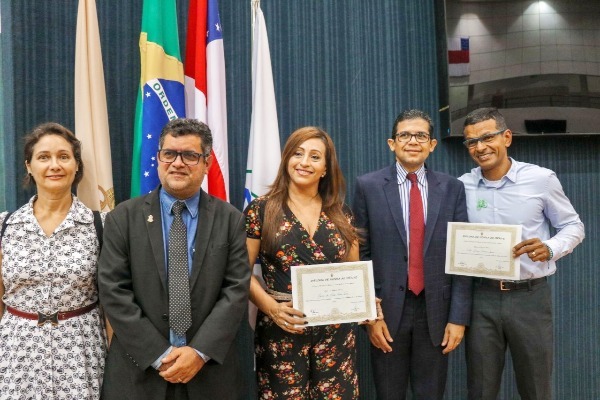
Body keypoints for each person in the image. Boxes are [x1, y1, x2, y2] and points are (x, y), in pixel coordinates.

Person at [98, 118, 250, 400]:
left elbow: (235, 291)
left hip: (209, 375)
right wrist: (159, 354)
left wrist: (199, 352)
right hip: (139, 374)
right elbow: (113, 290)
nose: (177, 163)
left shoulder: (230, 220)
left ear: (206, 163)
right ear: (158, 159)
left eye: (190, 155)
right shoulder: (123, 218)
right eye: (169, 154)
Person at [459, 107, 585, 400]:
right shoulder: (461, 186)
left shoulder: (541, 179)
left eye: (487, 137)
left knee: (536, 388)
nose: (480, 147)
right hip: (481, 298)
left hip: (530, 297)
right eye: (471, 141)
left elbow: (573, 226)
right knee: (480, 389)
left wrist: (550, 248)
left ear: (506, 137)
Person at [353, 109, 472, 399]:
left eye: (421, 135)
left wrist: (458, 318)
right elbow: (359, 255)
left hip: (437, 313)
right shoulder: (368, 187)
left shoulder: (452, 188)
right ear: (391, 143)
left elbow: (463, 256)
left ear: (432, 144)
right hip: (386, 313)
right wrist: (371, 315)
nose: (413, 141)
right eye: (405, 135)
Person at [245, 126, 362, 399]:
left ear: (325, 168)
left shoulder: (343, 214)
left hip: (336, 335)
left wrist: (365, 300)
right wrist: (272, 308)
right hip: (282, 330)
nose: (304, 162)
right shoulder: (261, 210)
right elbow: (240, 272)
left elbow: (354, 274)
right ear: (287, 159)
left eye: (315, 156)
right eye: (297, 154)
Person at [0, 122, 106, 399]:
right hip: (17, 357)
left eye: (63, 156)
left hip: (81, 355)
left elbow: (113, 301)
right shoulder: (5, 226)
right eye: (44, 157)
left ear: (76, 165)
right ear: (29, 166)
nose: (54, 165)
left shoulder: (101, 225)